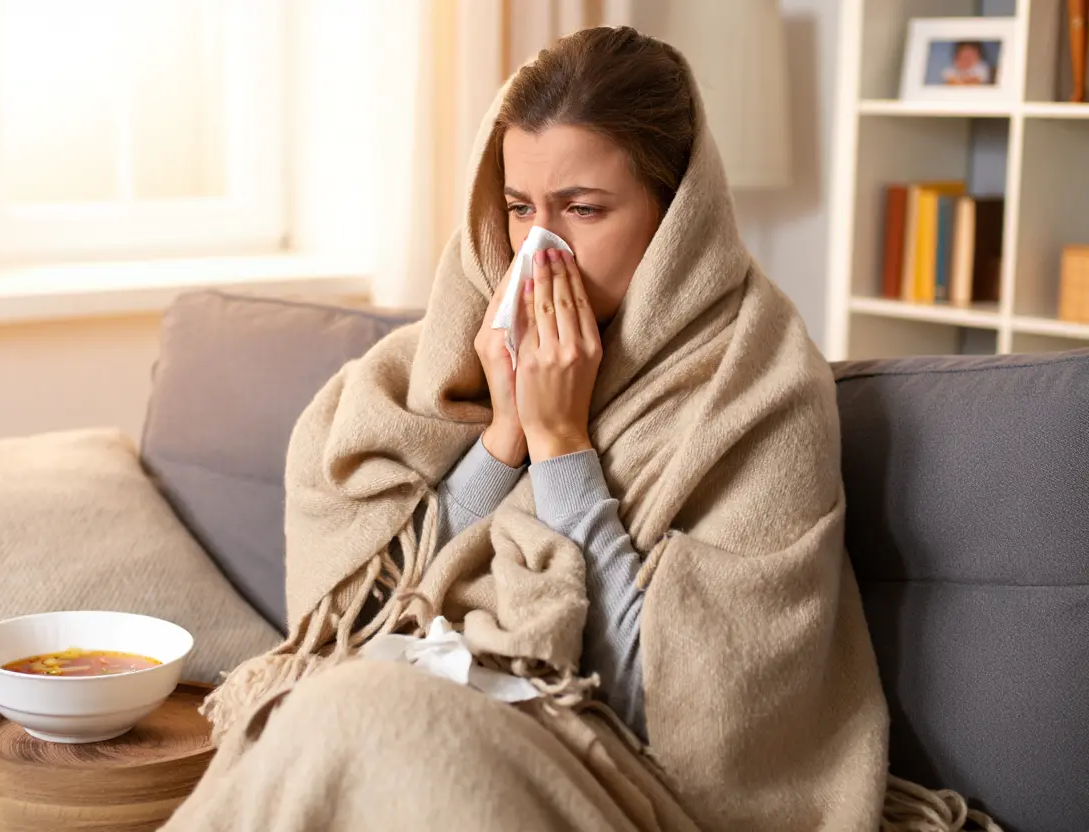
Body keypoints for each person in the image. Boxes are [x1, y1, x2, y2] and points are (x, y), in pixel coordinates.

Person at [165, 26, 996, 832]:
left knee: (368, 715)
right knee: (328, 713)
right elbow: (362, 625)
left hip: (602, 765)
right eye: (521, 208)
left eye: (583, 209)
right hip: (423, 722)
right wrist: (504, 436)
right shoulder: (437, 361)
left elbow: (691, 725)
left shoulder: (759, 390)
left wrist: (564, 446)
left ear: (678, 218)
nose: (539, 253)